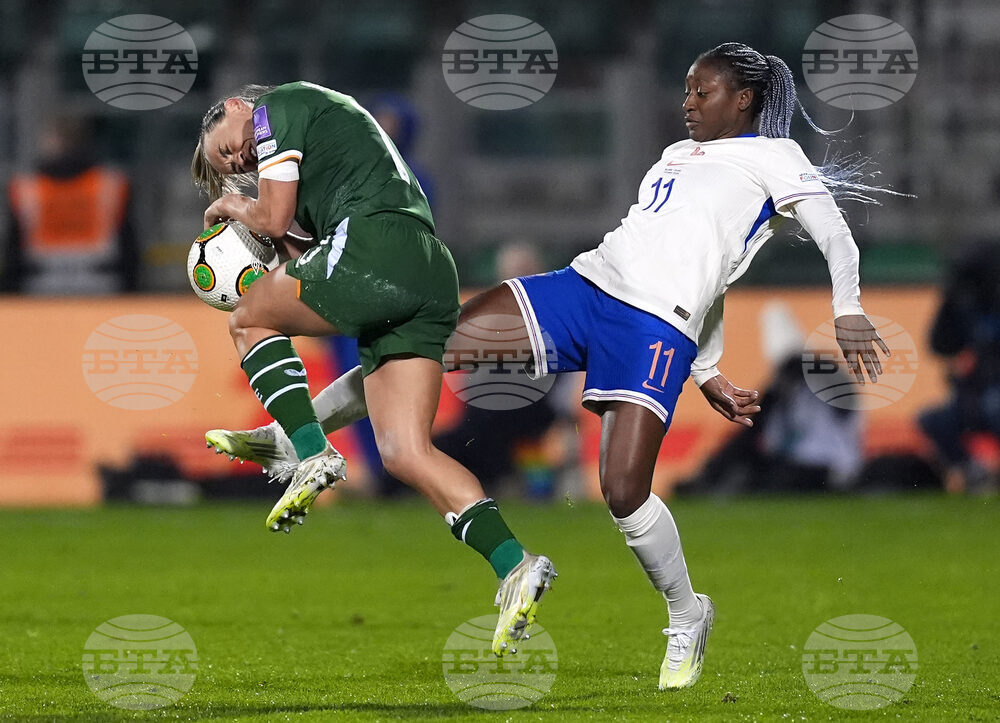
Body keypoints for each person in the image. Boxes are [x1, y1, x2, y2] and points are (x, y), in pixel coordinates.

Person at [208, 44, 894, 689]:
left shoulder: (776, 157)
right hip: (585, 287)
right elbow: (705, 261)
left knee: (622, 489)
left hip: (654, 326)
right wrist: (712, 370)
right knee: (426, 340)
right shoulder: (674, 156)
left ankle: (687, 613)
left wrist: (845, 306)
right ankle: (293, 435)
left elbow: (824, 232)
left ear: (742, 99)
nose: (687, 101)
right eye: (684, 89)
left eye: (702, 90)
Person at [190, 81, 556, 657]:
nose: (238, 161)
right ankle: (516, 564)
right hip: (426, 267)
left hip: (376, 244)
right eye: (229, 165)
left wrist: (235, 206)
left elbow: (274, 213)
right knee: (406, 451)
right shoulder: (316, 149)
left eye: (228, 149)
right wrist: (266, 237)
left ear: (235, 107)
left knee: (247, 319)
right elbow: (295, 241)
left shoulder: (274, 108)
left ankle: (307, 449)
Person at [2, 115, 137, 294]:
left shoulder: (26, 187)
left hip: (40, 286)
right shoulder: (112, 184)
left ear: (52, 141)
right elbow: (129, 247)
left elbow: (13, 251)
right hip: (102, 284)